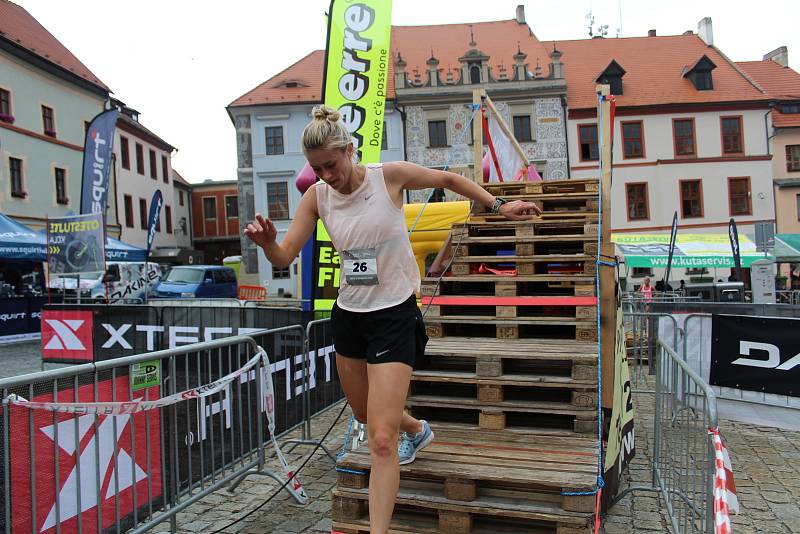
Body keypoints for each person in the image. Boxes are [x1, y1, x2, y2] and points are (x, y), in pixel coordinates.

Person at [244, 105, 541, 533]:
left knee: (381, 440)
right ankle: (418, 428)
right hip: (349, 315)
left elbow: (448, 180)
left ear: (349, 150)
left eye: (331, 164)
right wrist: (269, 243)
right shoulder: (317, 197)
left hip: (394, 315)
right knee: (365, 414)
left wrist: (500, 206)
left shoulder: (390, 176)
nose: (326, 175)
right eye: (316, 169)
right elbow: (284, 254)